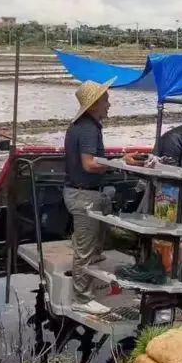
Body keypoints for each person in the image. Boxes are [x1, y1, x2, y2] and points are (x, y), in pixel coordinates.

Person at [63, 78, 118, 314]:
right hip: (83, 195)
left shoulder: (84, 125)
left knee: (106, 203)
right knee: (83, 251)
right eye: (105, 99)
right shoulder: (87, 129)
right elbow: (89, 164)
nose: (109, 104)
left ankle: (93, 264)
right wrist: (118, 163)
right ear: (94, 104)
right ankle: (81, 300)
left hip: (84, 192)